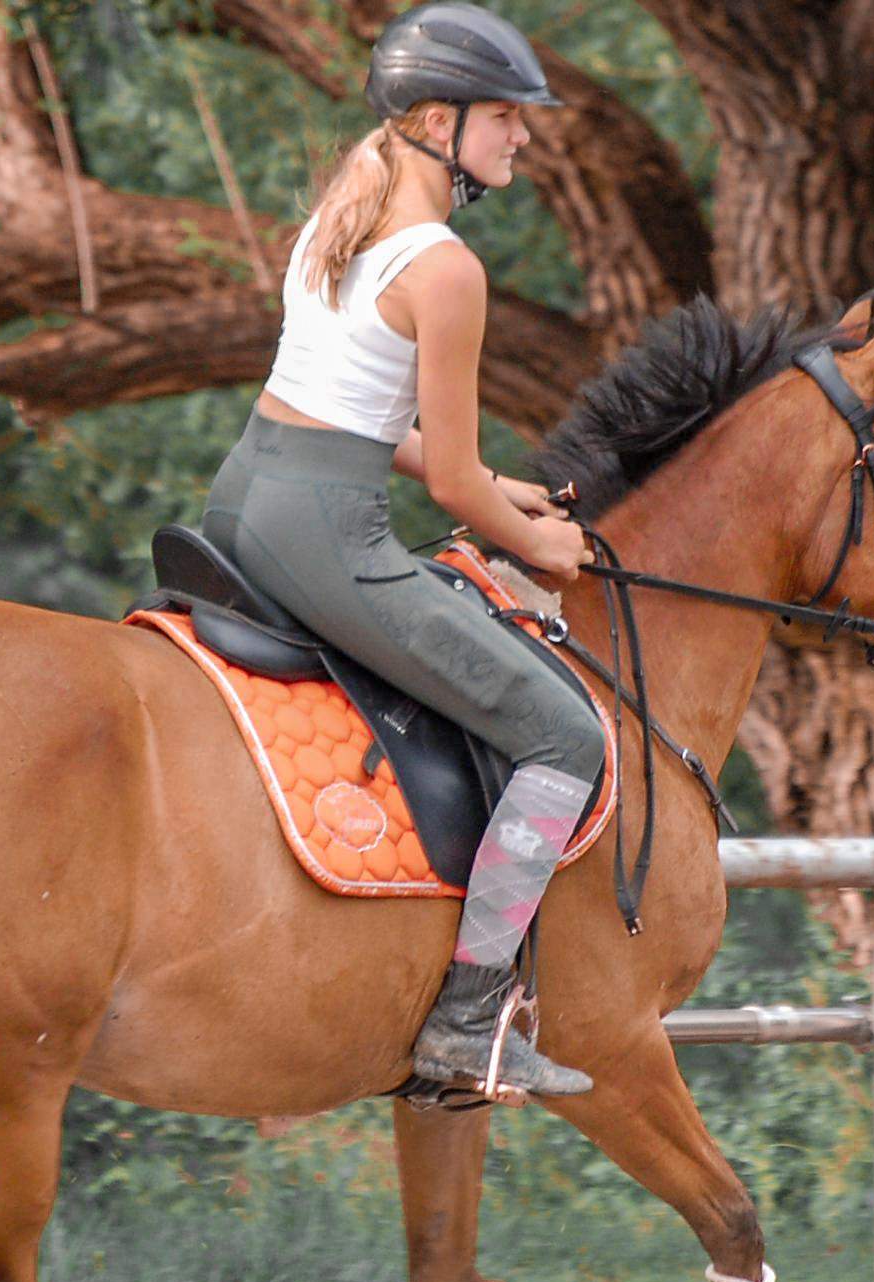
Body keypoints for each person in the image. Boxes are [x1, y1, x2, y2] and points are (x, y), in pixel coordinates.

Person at [200, 3, 604, 1098]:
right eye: (507, 120)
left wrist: (475, 485)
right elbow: (467, 485)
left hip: (246, 499)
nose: (523, 137)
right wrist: (544, 542)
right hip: (327, 532)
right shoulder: (446, 267)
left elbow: (353, 402)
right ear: (439, 119)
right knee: (567, 736)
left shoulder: (348, 202)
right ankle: (468, 1024)